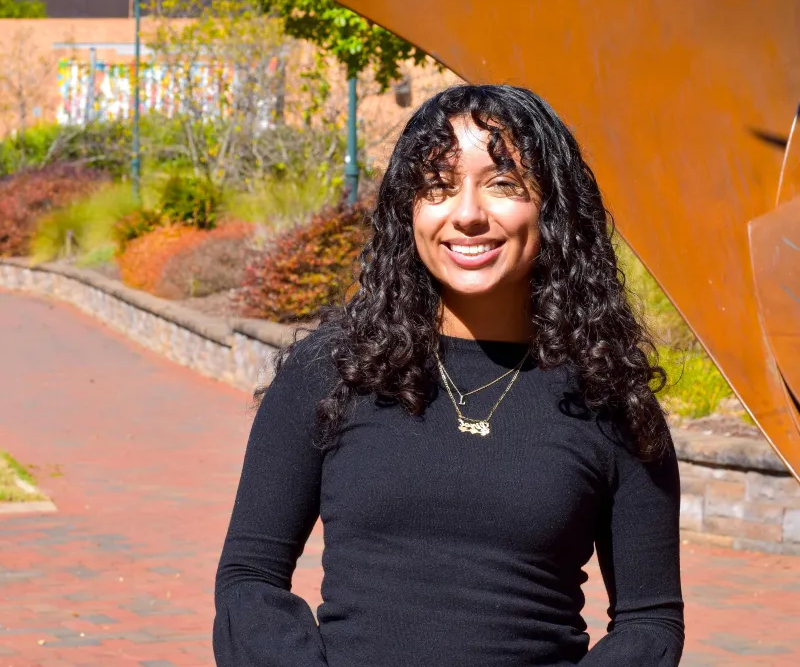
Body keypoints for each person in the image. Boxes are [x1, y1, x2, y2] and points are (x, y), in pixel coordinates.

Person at [213, 84, 684, 666]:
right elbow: (249, 579)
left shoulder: (609, 398)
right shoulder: (334, 370)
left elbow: (650, 623)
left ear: (554, 208)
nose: (466, 214)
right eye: (437, 186)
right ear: (408, 210)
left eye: (503, 184)